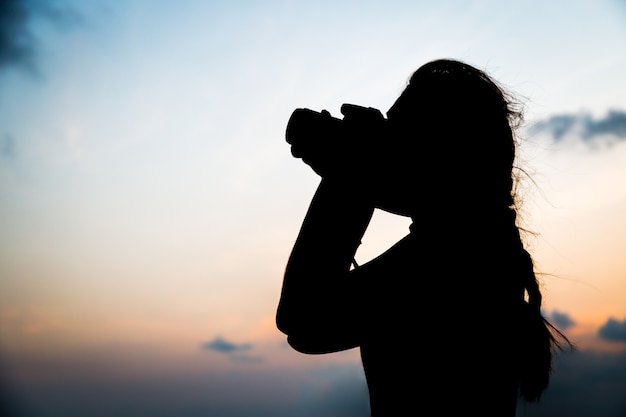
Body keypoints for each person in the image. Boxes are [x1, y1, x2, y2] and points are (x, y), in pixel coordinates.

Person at [276, 58, 571, 416]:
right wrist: (354, 171)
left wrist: (349, 176)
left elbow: (303, 319)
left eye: (397, 136)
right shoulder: (486, 247)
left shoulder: (449, 259)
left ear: (442, 156)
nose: (384, 146)